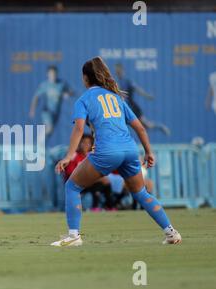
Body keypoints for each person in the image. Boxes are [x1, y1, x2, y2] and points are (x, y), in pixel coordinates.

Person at [51, 56, 181, 247]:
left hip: (107, 152)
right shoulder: (116, 98)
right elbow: (140, 128)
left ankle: (74, 236)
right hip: (129, 150)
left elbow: (79, 129)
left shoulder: (83, 100)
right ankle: (171, 232)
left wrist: (69, 156)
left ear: (86, 78)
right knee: (141, 193)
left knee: (72, 187)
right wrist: (149, 152)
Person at [62, 134, 115, 211]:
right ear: (79, 143)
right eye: (83, 142)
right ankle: (95, 207)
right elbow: (70, 174)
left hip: (88, 183)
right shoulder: (74, 156)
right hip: (76, 184)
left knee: (106, 183)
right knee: (99, 183)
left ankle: (109, 207)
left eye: (88, 143)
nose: (86, 145)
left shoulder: (90, 156)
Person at [115, 63, 170, 136]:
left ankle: (161, 127)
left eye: (119, 70)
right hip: (123, 108)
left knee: (147, 125)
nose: (117, 72)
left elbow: (138, 89)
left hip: (132, 108)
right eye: (116, 71)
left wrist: (147, 96)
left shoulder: (127, 81)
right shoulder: (115, 82)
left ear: (122, 71)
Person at [29, 65, 74, 138]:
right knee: (49, 128)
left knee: (50, 131)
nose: (53, 76)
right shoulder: (45, 85)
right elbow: (36, 97)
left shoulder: (62, 84)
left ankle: (41, 145)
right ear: (47, 74)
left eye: (54, 74)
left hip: (56, 112)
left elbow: (71, 92)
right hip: (47, 111)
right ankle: (39, 143)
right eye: (51, 74)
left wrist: (67, 93)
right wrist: (32, 110)